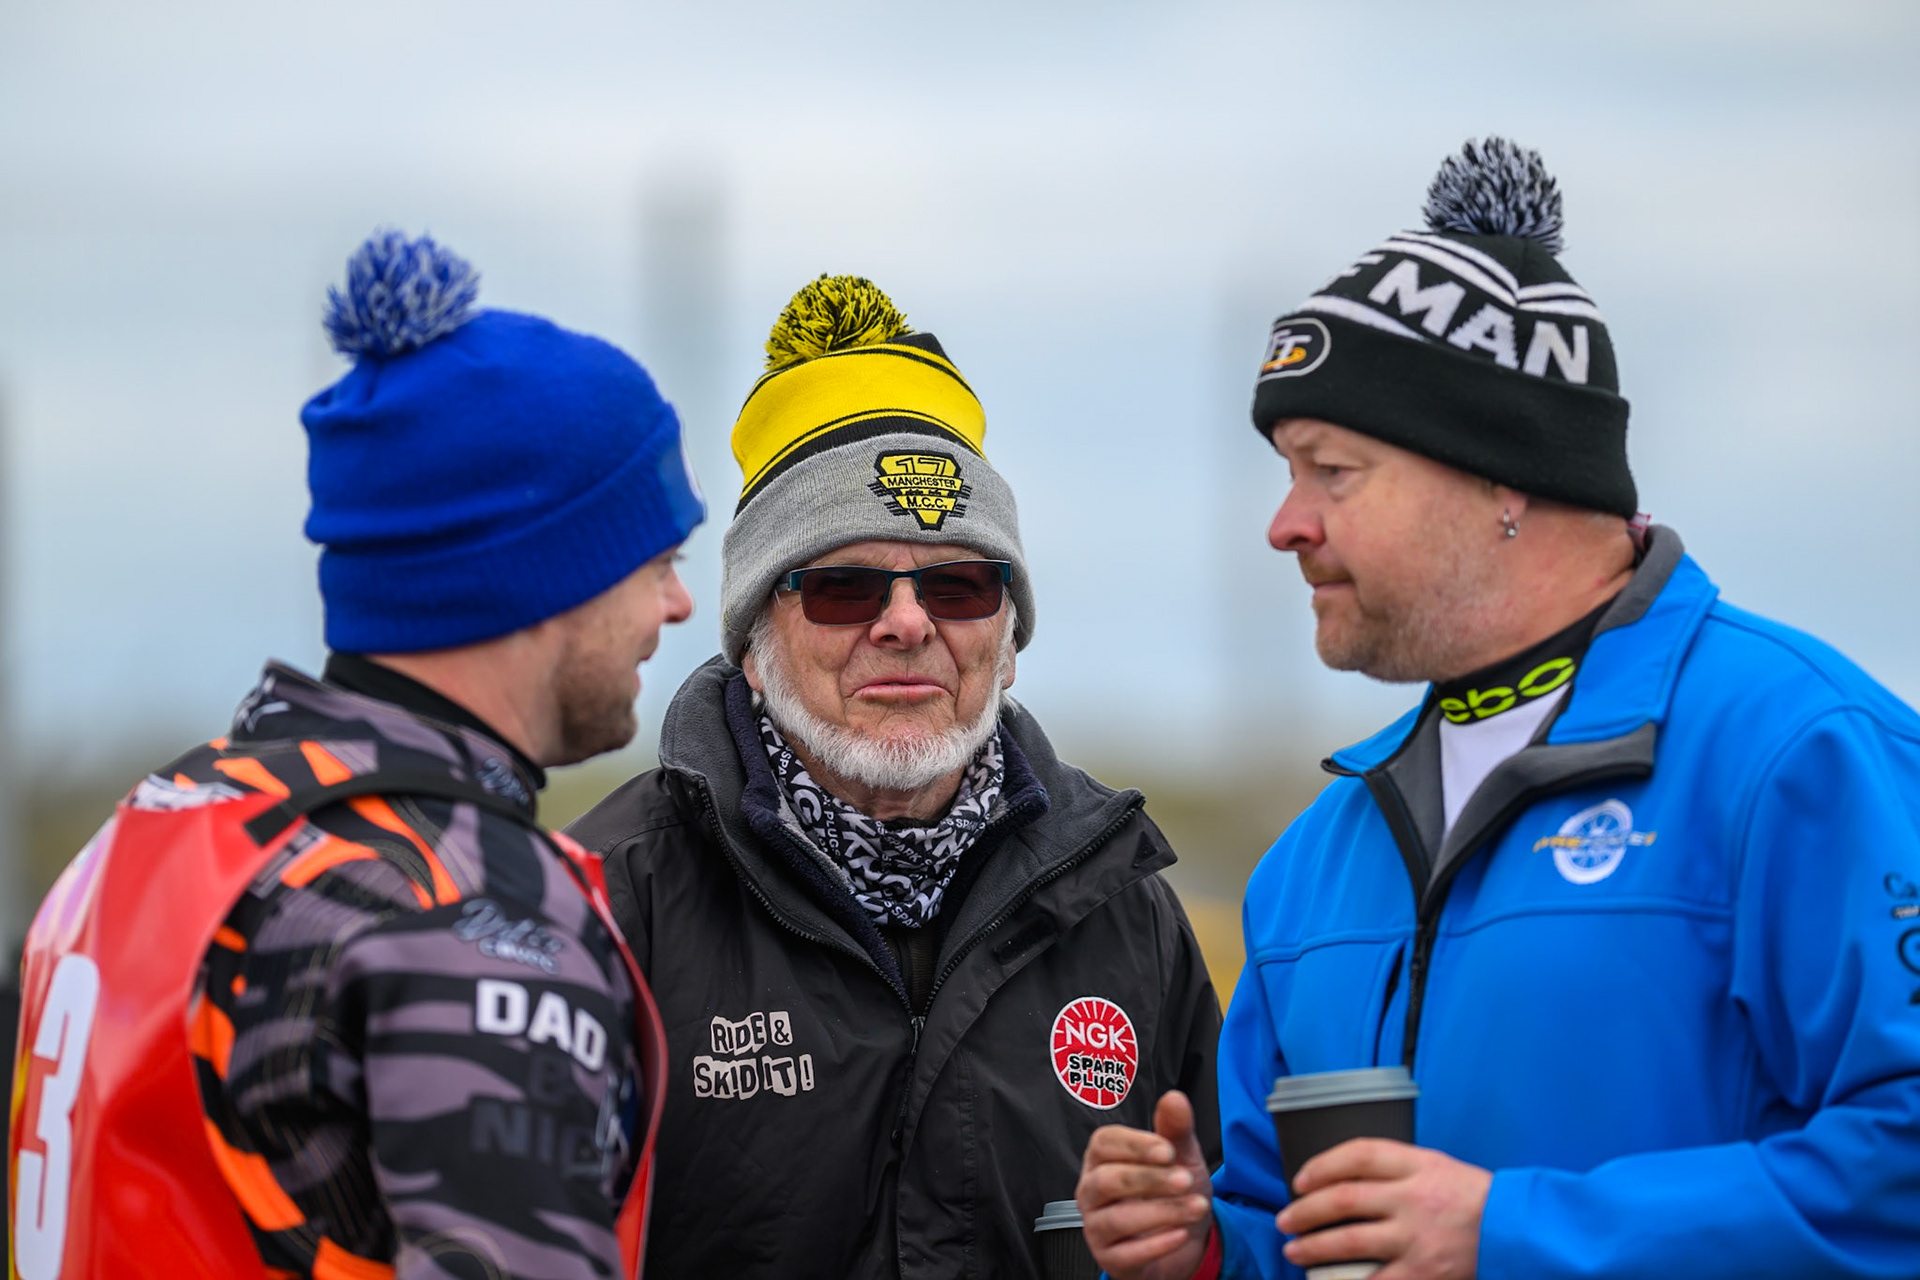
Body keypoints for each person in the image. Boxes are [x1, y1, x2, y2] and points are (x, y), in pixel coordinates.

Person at [1078, 138, 1920, 1280]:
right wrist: (1208, 1250)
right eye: (1286, 471)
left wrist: (1513, 1232)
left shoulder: (1802, 755)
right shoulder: (1313, 861)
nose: (1285, 523)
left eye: (1332, 469)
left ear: (1504, 476)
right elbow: (1296, 1233)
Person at [7, 231, 705, 1279]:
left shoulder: (164, 820)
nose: (678, 602)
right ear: (537, 574)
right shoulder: (468, 910)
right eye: (654, 557)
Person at [566, 275, 1222, 1279]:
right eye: (844, 586)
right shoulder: (610, 900)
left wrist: (1200, 1250)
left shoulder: (1127, 910)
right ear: (754, 637)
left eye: (959, 582)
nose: (908, 622)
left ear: (1007, 636)